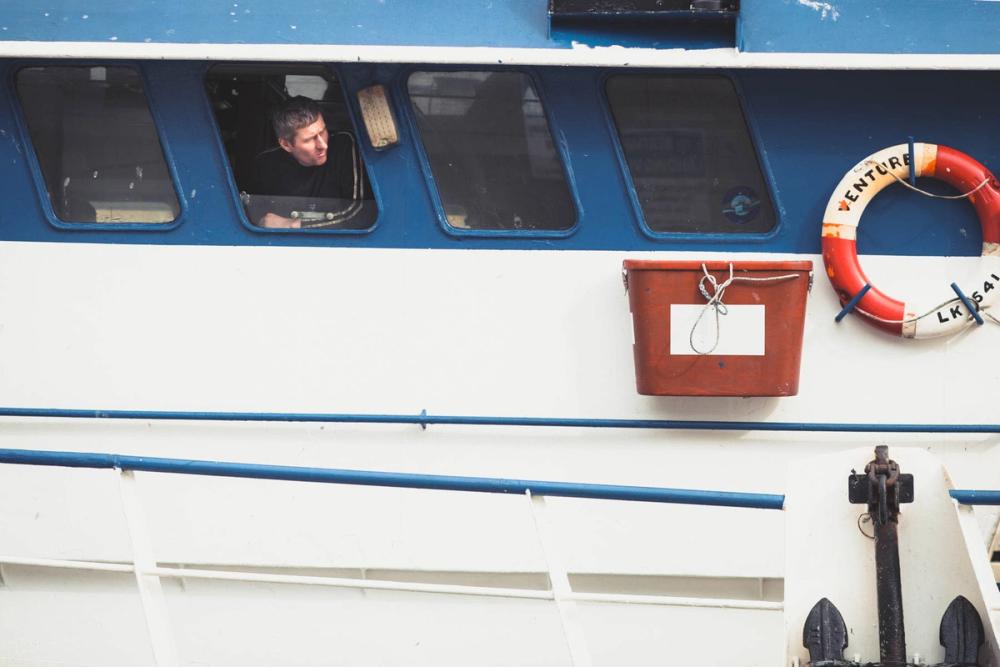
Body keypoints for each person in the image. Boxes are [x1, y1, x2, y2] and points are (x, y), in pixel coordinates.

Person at [248, 96, 370, 229]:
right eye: (309, 140)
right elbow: (254, 218)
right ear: (286, 144)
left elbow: (361, 215)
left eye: (323, 132)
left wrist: (293, 225)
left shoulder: (344, 146)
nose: (323, 145)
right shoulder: (266, 165)